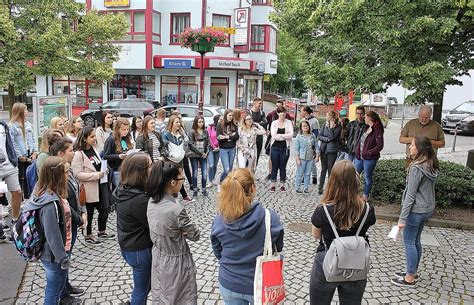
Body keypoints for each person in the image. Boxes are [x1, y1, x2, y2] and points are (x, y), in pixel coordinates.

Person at [211, 168, 284, 304]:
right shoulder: (270, 218)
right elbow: (278, 247)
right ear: (253, 189)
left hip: (230, 281)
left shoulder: (219, 221)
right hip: (262, 283)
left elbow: (218, 251)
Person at [310, 160, 376, 305]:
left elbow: (316, 235)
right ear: (355, 180)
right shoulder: (367, 210)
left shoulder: (323, 210)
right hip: (356, 263)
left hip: (327, 259)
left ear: (332, 180)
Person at [146, 161, 200, 304]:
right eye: (182, 179)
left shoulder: (152, 201)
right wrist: (182, 231)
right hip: (177, 261)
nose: (183, 182)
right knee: (182, 298)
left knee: (161, 295)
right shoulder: (176, 210)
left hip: (159, 256)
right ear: (172, 182)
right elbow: (195, 234)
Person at [22, 156, 72, 305]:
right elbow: (53, 235)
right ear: (56, 175)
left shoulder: (42, 190)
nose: (68, 175)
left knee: (56, 287)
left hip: (54, 254)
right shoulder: (49, 203)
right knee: (53, 290)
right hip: (53, 256)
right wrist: (63, 258)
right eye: (66, 172)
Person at [391, 136, 438, 287]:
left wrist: (402, 219)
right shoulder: (430, 163)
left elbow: (410, 195)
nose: (409, 147)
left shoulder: (417, 167)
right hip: (426, 208)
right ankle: (412, 271)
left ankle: (409, 277)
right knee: (416, 240)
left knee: (409, 241)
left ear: (419, 149)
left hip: (416, 210)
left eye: (412, 145)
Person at [49, 137, 87, 303]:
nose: (73, 153)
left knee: (68, 256)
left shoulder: (68, 169)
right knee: (64, 258)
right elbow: (64, 203)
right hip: (67, 223)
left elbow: (76, 194)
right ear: (60, 153)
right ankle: (63, 295)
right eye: (70, 150)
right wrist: (79, 218)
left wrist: (82, 211)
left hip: (73, 221)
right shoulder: (57, 174)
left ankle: (66, 286)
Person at [114, 153, 153, 304]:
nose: (153, 167)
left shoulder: (124, 188)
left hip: (129, 245)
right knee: (142, 289)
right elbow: (153, 225)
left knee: (143, 287)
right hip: (139, 250)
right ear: (140, 171)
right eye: (150, 165)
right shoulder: (139, 200)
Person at [72, 127, 114, 244]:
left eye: (94, 135)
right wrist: (96, 175)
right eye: (92, 136)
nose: (94, 138)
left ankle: (102, 231)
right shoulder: (78, 154)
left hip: (101, 185)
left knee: (105, 208)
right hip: (89, 188)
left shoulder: (94, 148)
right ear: (84, 138)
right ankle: (88, 235)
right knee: (89, 212)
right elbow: (77, 174)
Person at [163, 115, 195, 203]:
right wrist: (171, 154)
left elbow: (187, 142)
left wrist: (183, 133)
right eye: (176, 122)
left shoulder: (180, 133)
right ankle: (174, 197)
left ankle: (183, 196)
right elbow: (163, 148)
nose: (179, 124)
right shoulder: (166, 134)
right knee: (172, 180)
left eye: (179, 122)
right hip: (171, 161)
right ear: (171, 123)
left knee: (179, 178)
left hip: (180, 160)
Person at [354, 111, 385, 202]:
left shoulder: (377, 129)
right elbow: (361, 141)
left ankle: (365, 195)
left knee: (367, 177)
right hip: (360, 157)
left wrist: (368, 153)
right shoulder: (367, 127)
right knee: (355, 175)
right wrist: (358, 152)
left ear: (370, 118)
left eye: (366, 117)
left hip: (369, 158)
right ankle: (354, 193)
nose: (364, 118)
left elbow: (380, 146)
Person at [9, 102, 37, 196]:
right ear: (20, 111)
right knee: (21, 177)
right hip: (20, 156)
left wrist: (35, 152)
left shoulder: (27, 123)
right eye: (25, 110)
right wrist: (19, 155)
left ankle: (29, 196)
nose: (27, 112)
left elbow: (33, 138)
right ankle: (20, 199)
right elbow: (12, 143)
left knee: (31, 176)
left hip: (30, 153)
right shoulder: (12, 126)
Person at [0, 119, 22, 234]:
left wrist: (14, 160)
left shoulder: (3, 125)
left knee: (17, 192)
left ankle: (15, 219)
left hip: (9, 165)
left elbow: (9, 143)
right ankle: (1, 224)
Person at [264, 100, 292, 180]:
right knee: (271, 157)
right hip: (272, 140)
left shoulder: (287, 117)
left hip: (284, 144)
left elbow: (290, 133)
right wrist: (267, 130)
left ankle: (282, 175)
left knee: (282, 160)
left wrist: (281, 136)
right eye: (276, 106)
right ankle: (270, 173)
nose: (277, 108)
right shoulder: (271, 114)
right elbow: (266, 123)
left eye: (279, 106)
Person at [103, 118, 133, 189]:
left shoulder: (125, 138)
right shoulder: (110, 140)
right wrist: (118, 156)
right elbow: (105, 156)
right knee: (119, 191)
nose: (126, 131)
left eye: (127, 129)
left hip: (126, 169)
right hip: (116, 171)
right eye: (123, 129)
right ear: (117, 129)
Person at [269, 107, 293, 192]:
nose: (283, 114)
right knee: (274, 166)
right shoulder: (274, 123)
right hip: (275, 147)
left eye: (284, 113)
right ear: (278, 113)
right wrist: (284, 136)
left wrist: (281, 136)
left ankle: (282, 185)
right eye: (281, 113)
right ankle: (273, 185)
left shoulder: (289, 122)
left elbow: (291, 134)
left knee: (283, 167)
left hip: (285, 148)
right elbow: (273, 136)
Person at [317, 111, 341, 195]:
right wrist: (327, 139)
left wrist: (331, 128)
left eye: (327, 116)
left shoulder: (338, 127)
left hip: (332, 151)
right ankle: (320, 188)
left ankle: (330, 189)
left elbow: (332, 137)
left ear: (332, 117)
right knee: (323, 169)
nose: (326, 117)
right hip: (324, 150)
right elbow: (319, 136)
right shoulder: (324, 125)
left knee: (331, 170)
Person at [188, 116, 210, 197]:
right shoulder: (192, 132)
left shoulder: (205, 131)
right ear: (196, 122)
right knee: (195, 172)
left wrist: (206, 153)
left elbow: (208, 143)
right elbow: (191, 145)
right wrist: (201, 153)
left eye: (202, 122)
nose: (201, 123)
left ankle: (204, 189)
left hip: (203, 155)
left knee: (204, 173)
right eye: (199, 122)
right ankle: (195, 189)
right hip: (194, 155)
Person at [216, 110, 239, 187]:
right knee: (226, 169)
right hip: (223, 149)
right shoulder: (220, 125)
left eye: (232, 115)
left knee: (230, 170)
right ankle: (221, 183)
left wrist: (226, 137)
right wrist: (231, 137)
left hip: (232, 148)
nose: (231, 117)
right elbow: (219, 138)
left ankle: (227, 185)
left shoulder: (234, 125)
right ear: (226, 115)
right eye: (229, 115)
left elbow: (236, 137)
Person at [294, 120, 318, 194]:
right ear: (301, 127)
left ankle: (306, 188)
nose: (305, 127)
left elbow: (316, 146)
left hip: (310, 158)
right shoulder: (299, 136)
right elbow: (296, 149)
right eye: (304, 126)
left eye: (307, 126)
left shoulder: (312, 135)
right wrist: (297, 159)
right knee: (300, 173)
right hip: (302, 158)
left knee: (308, 174)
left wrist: (317, 155)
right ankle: (297, 188)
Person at [300, 106, 320, 184]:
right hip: (303, 144)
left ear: (305, 111)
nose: (300, 112)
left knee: (311, 162)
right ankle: (303, 177)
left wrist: (313, 144)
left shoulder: (314, 121)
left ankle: (314, 176)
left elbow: (316, 133)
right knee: (303, 161)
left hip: (311, 144)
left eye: (301, 111)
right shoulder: (302, 121)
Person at [249, 98, 268, 166]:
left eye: (261, 103)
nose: (260, 105)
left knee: (256, 157)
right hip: (250, 137)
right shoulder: (249, 112)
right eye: (259, 103)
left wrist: (256, 123)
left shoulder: (262, 113)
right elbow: (249, 124)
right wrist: (259, 123)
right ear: (254, 103)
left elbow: (265, 123)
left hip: (259, 138)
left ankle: (253, 173)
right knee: (249, 157)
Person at [207, 114, 220, 187]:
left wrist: (219, 147)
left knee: (215, 165)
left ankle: (213, 179)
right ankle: (210, 180)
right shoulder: (210, 127)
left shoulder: (221, 128)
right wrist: (214, 146)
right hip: (211, 148)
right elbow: (209, 138)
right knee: (211, 165)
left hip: (218, 148)